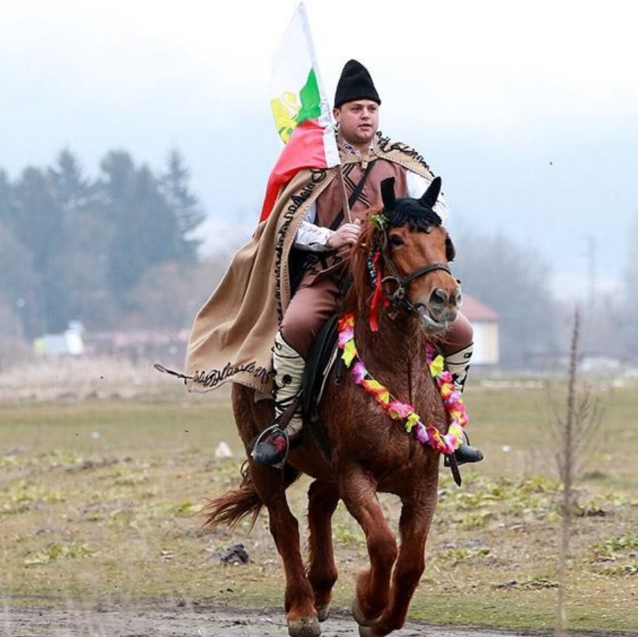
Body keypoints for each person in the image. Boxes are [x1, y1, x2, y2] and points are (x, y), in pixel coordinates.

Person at [184, 60, 483, 467]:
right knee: (297, 326)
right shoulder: (314, 161)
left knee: (461, 331)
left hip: (389, 278)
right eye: (356, 108)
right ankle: (286, 423)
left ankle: (452, 422)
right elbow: (288, 224)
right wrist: (331, 235)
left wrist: (411, 220)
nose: (365, 116)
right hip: (329, 272)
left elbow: (437, 206)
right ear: (337, 114)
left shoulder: (400, 160)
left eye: (371, 109)